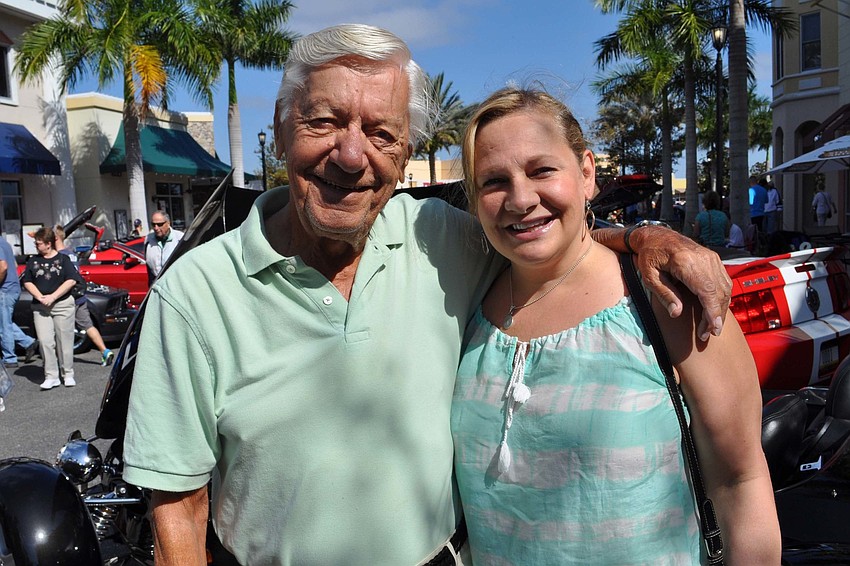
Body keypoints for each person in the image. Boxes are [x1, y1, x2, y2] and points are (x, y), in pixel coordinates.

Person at [123, 24, 732, 566]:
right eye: (324, 122)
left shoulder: (439, 237)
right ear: (282, 129)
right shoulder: (194, 294)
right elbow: (178, 509)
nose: (352, 156)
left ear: (405, 154)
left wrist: (646, 238)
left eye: (381, 133)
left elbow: (543, 236)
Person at [452, 87, 779, 565]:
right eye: (494, 181)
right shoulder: (465, 297)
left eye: (542, 171)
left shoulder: (667, 300)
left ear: (586, 173)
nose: (520, 199)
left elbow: (740, 481)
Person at [20, 227, 78, 389]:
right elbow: (27, 281)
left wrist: (53, 296)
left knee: (64, 341)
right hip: (41, 307)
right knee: (45, 341)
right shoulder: (33, 261)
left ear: (48, 244)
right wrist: (40, 297)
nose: (36, 246)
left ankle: (68, 373)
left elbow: (71, 280)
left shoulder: (63, 259)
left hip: (62, 305)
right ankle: (51, 375)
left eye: (39, 243)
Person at [53, 225, 115, 366]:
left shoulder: (58, 257)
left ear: (55, 238)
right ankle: (105, 351)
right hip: (79, 296)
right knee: (88, 325)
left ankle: (60, 360)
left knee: (60, 328)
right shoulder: (71, 254)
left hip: (66, 298)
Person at [0, 238, 38, 368]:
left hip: (5, 289)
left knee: (4, 326)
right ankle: (28, 343)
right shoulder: (5, 243)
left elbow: (3, 267)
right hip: (13, 287)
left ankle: (10, 358)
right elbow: (15, 265)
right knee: (4, 322)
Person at [144, 210, 183, 282]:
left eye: (159, 224)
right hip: (156, 282)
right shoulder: (148, 239)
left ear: (168, 223)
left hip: (175, 282)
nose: (156, 228)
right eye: (153, 224)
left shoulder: (180, 238)